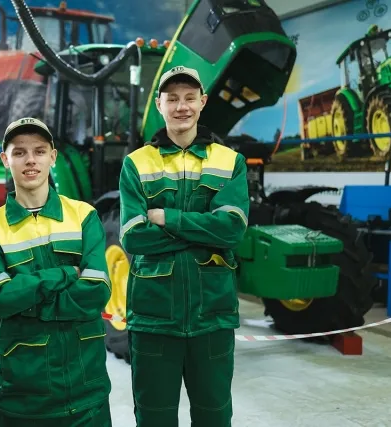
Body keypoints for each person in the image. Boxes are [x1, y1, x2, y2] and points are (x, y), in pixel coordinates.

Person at [118, 66, 249, 427]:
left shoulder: (230, 161)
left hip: (213, 315)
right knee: (154, 418)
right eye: (172, 98)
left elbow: (232, 229)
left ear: (203, 102)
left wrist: (169, 218)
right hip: (154, 318)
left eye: (190, 98)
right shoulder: (136, 163)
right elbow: (134, 236)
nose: (182, 106)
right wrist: (205, 228)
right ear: (159, 103)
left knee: (214, 416)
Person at [0, 117, 112, 427]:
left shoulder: (84, 216)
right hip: (23, 396)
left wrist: (26, 303)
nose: (30, 160)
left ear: (53, 157)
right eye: (19, 152)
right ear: (5, 159)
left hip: (86, 389)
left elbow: (97, 292)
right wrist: (64, 275)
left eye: (39, 151)